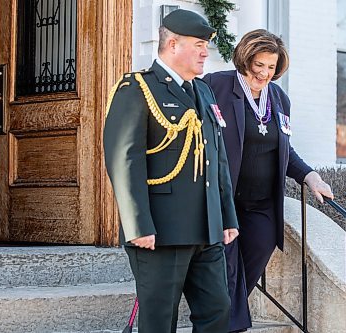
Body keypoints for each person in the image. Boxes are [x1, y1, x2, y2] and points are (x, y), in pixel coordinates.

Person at [103, 9, 239, 333]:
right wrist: (138, 224)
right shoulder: (136, 88)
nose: (206, 52)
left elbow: (217, 159)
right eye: (198, 44)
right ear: (173, 44)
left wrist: (227, 216)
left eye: (207, 45)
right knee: (159, 322)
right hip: (160, 231)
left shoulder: (203, 91)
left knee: (217, 310)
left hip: (206, 228)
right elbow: (125, 159)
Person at [203, 29, 334, 332]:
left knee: (260, 249)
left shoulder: (279, 99)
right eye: (258, 64)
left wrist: (310, 177)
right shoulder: (216, 86)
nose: (264, 73)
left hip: (261, 203)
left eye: (271, 67)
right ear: (245, 59)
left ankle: (219, 317)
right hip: (227, 201)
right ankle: (228, 325)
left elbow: (285, 150)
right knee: (229, 269)